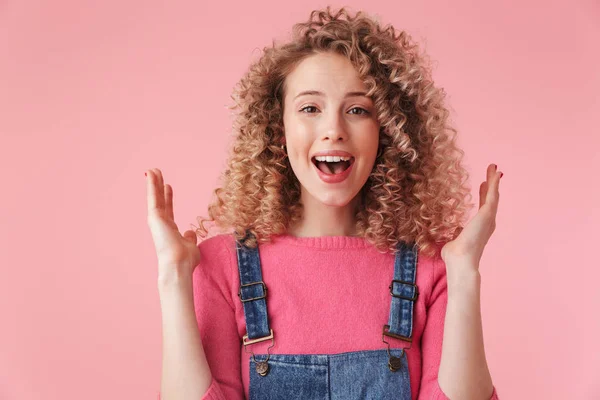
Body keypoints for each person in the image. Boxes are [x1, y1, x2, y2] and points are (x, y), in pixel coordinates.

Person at [147, 7, 502, 400]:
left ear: (386, 133)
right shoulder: (220, 266)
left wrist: (466, 272)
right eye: (310, 108)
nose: (333, 130)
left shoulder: (433, 267)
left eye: (357, 110)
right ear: (277, 129)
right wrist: (174, 277)